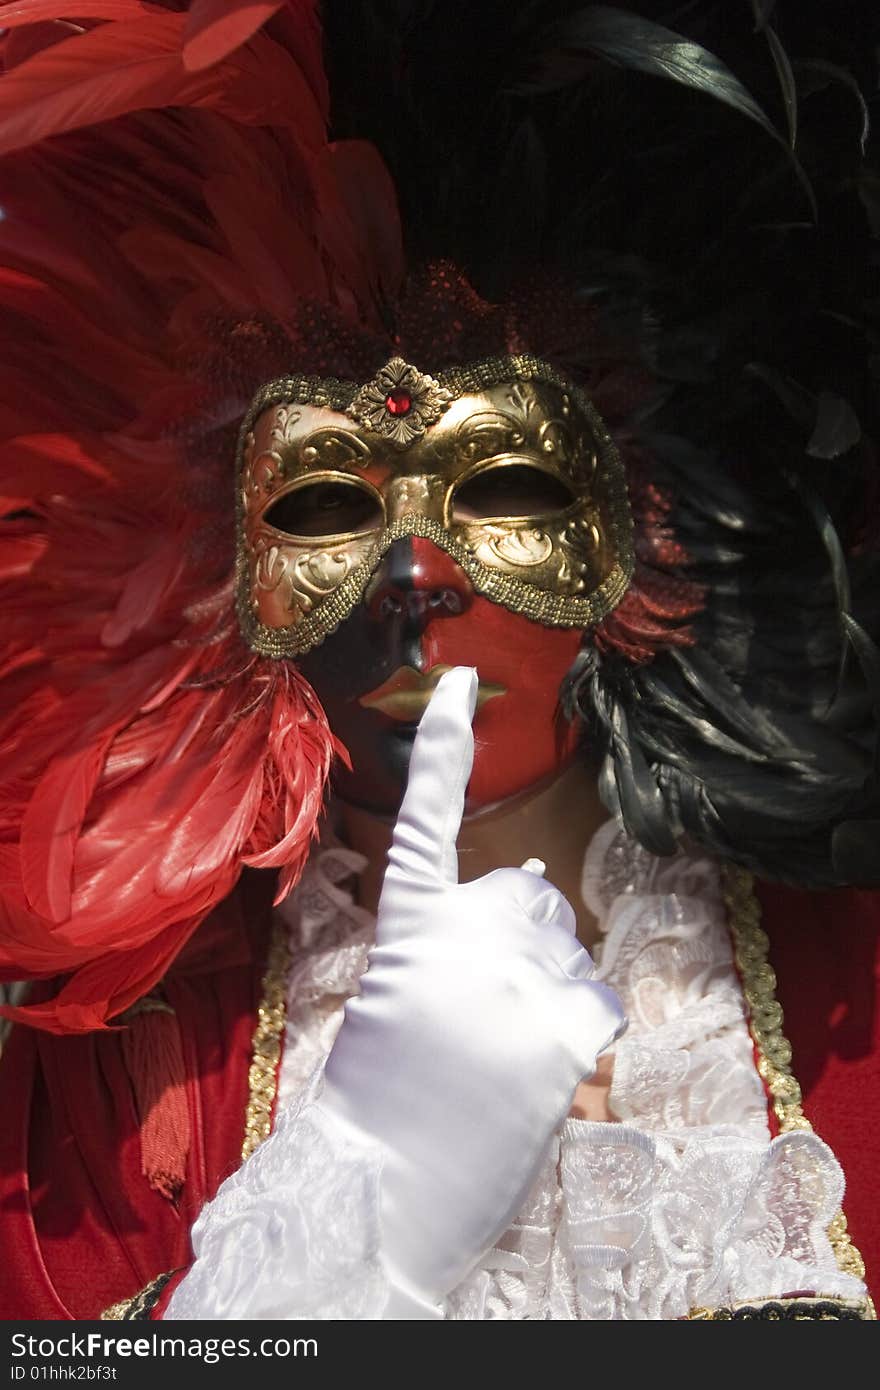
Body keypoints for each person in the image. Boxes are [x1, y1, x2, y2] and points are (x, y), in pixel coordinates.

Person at [0, 0, 878, 1321]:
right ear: (214, 565)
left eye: (505, 481)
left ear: (648, 524)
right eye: (325, 502)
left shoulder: (855, 983)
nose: (417, 570)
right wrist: (343, 1235)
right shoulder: (119, 1098)